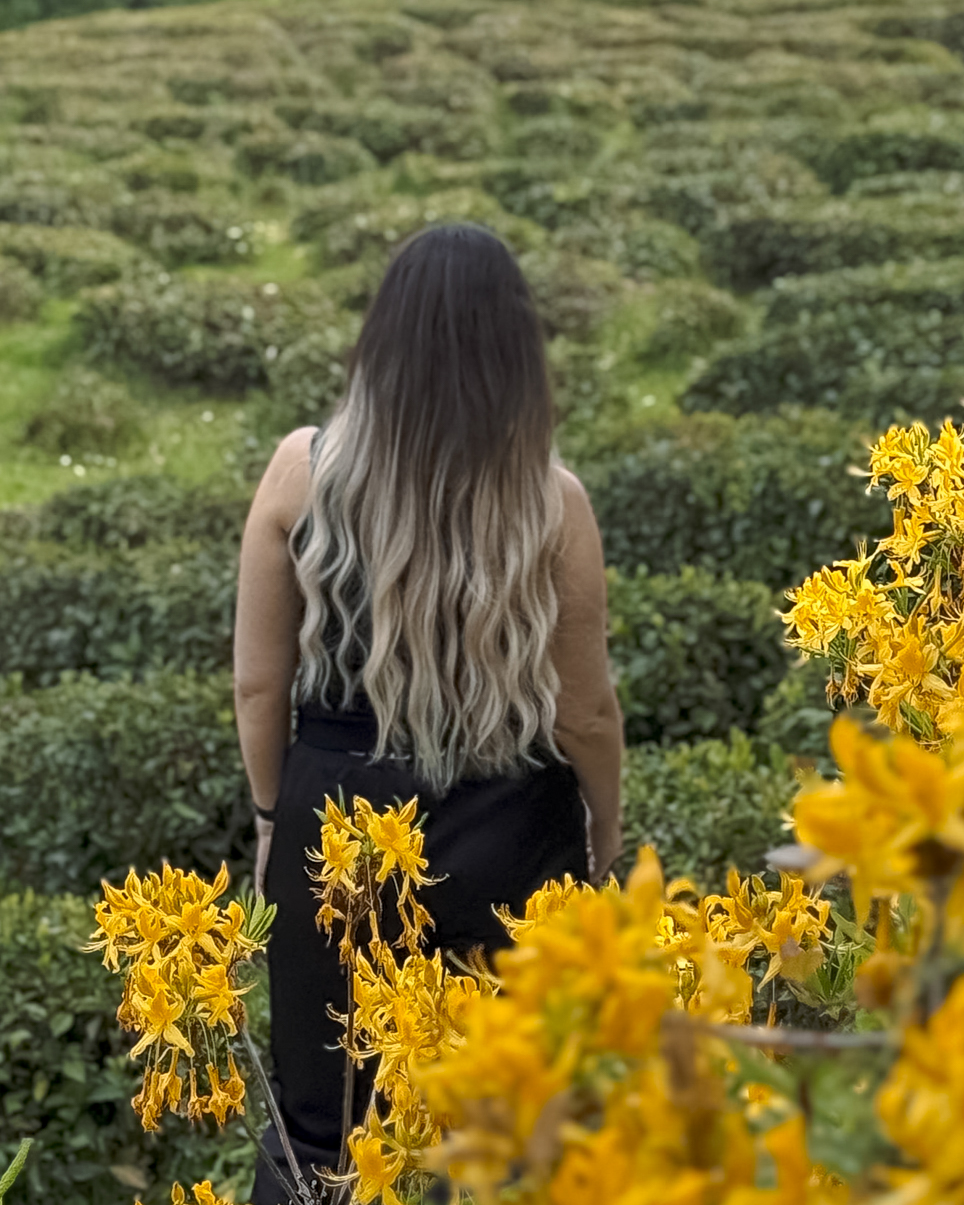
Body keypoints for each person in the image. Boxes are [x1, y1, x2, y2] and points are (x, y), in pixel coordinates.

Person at [233, 221, 624, 1197]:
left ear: (381, 342)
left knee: (326, 1126)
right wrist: (602, 834)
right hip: (512, 826)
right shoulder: (552, 499)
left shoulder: (300, 469)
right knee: (508, 1125)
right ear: (515, 355)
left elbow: (257, 685)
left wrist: (276, 818)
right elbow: (586, 714)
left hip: (338, 827)